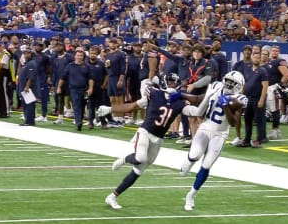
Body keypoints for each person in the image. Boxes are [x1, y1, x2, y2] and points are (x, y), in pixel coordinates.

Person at [100, 73, 220, 209]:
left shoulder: (179, 102)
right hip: (145, 132)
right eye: (170, 81)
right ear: (163, 82)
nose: (172, 84)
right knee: (140, 157)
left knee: (138, 171)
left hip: (158, 139)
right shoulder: (153, 94)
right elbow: (131, 106)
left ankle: (112, 196)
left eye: (175, 82)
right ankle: (125, 159)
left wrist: (209, 97)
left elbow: (197, 112)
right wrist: (110, 109)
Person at [180, 71, 247, 211]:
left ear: (238, 86)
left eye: (232, 83)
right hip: (205, 127)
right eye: (227, 81)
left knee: (206, 165)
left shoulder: (239, 98)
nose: (228, 84)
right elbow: (198, 99)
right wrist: (181, 95)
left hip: (220, 134)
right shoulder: (216, 87)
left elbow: (233, 123)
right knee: (194, 156)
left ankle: (191, 195)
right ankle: (189, 160)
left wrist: (226, 106)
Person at [57, 49, 94, 131]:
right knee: (76, 106)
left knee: (82, 106)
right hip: (74, 89)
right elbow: (63, 77)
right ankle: (78, 123)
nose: (79, 57)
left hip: (84, 89)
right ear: (75, 56)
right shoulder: (70, 66)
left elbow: (91, 78)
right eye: (78, 55)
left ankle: (80, 120)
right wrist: (59, 87)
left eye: (81, 56)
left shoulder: (87, 66)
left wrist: (91, 88)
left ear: (83, 57)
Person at [18, 48, 37, 126]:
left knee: (29, 104)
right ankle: (29, 121)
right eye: (25, 53)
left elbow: (31, 77)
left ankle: (29, 121)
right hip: (24, 87)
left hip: (29, 88)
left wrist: (27, 86)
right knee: (26, 104)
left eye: (28, 53)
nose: (26, 55)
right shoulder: (27, 63)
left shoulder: (31, 63)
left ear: (31, 54)